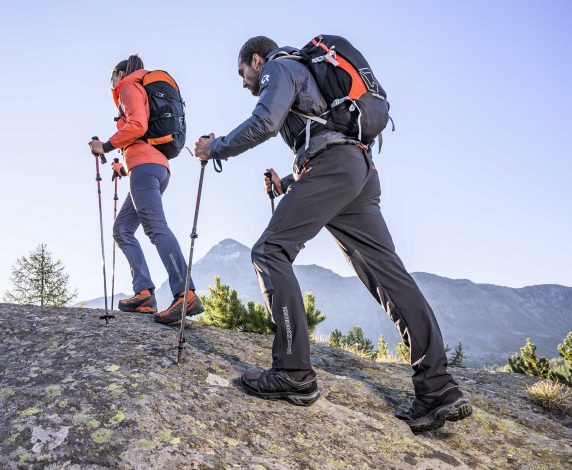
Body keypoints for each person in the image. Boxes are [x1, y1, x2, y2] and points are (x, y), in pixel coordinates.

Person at [194, 36, 471, 432]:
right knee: (389, 277)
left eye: (243, 72)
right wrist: (289, 181)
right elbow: (324, 132)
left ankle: (293, 371)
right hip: (357, 170)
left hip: (334, 166)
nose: (243, 82)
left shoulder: (279, 66)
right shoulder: (309, 71)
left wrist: (215, 147)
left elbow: (264, 122)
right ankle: (438, 387)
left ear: (256, 59)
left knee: (269, 252)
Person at [89, 54, 203, 324]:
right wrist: (124, 168)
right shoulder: (143, 86)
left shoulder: (128, 86)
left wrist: (104, 146)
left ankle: (185, 293)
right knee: (123, 230)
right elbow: (143, 135)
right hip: (154, 168)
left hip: (144, 169)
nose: (110, 84)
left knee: (155, 227)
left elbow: (137, 125)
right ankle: (143, 293)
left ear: (119, 74)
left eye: (111, 78)